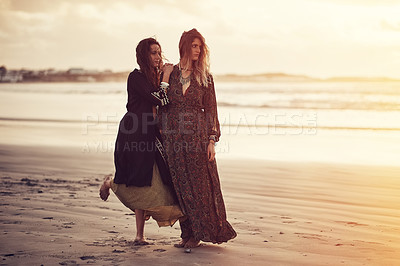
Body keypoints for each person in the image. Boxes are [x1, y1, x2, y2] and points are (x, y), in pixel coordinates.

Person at [99, 37, 183, 245]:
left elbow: (169, 99)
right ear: (144, 56)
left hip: (153, 131)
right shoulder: (135, 77)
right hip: (134, 130)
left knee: (152, 180)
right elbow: (159, 98)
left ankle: (139, 233)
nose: (157, 56)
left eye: (159, 52)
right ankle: (111, 185)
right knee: (138, 179)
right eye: (153, 53)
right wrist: (166, 76)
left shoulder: (157, 77)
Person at [158, 29, 237, 249]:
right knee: (180, 187)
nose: (198, 50)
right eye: (194, 45)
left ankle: (201, 232)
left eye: (200, 46)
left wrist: (212, 140)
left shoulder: (205, 77)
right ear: (184, 46)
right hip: (173, 139)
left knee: (201, 187)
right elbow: (161, 103)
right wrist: (164, 76)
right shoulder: (171, 74)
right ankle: (188, 233)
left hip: (197, 138)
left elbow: (211, 110)